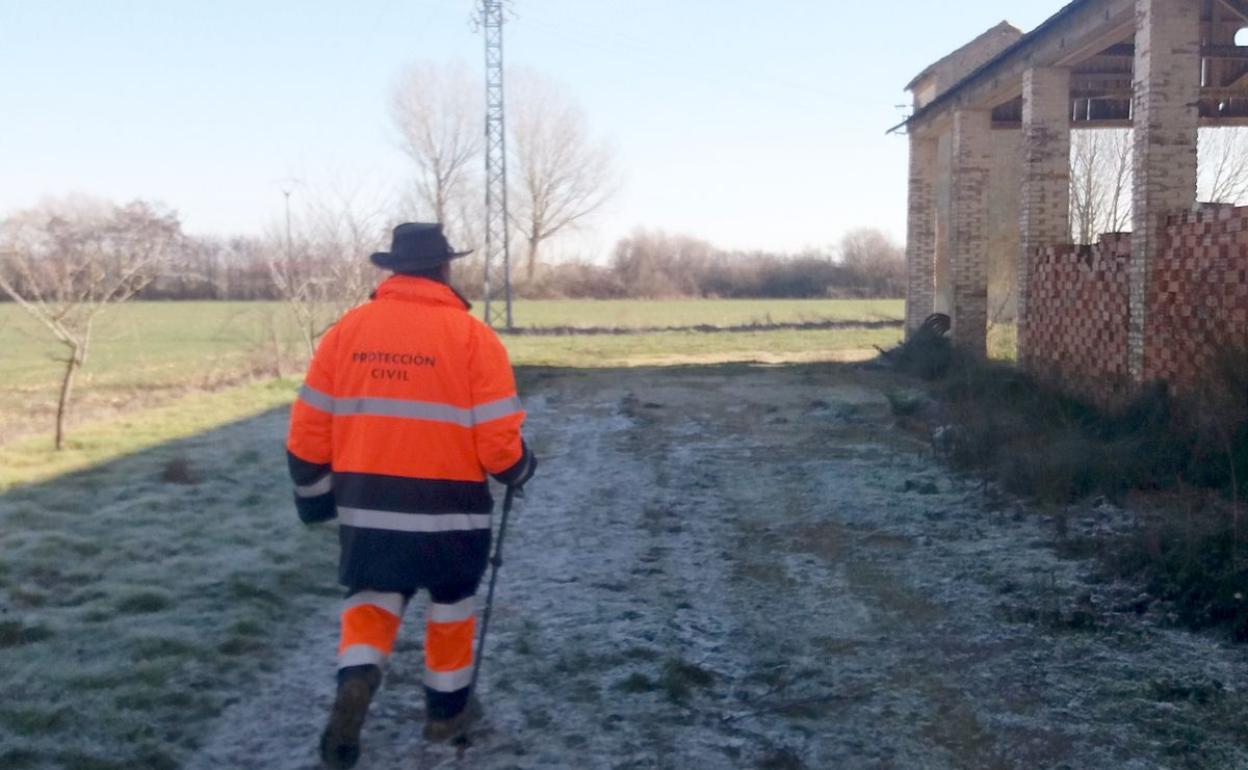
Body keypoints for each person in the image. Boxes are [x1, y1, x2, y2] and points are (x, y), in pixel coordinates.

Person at [285, 222, 536, 769]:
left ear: (393, 270)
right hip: (453, 512)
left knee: (372, 600)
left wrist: (316, 500)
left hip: (367, 506)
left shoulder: (345, 332)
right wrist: (520, 470)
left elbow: (307, 432)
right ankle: (445, 718)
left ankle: (357, 679)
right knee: (451, 609)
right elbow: (498, 444)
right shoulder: (473, 339)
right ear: (444, 269)